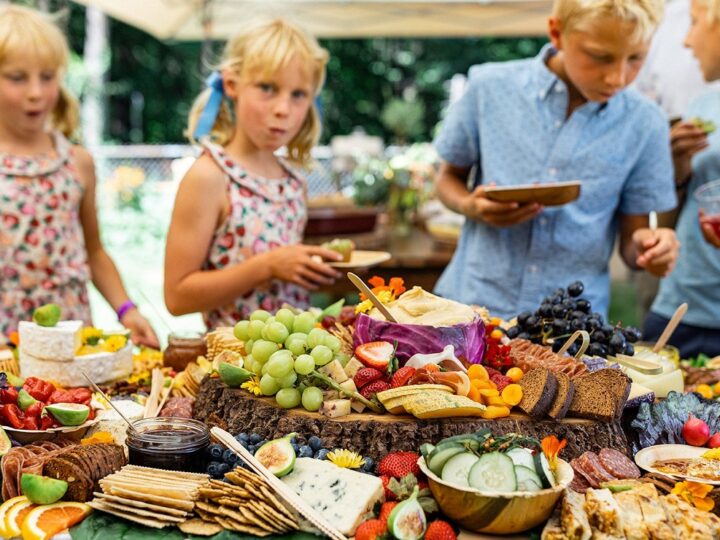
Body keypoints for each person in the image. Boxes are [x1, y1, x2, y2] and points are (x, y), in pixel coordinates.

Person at [432, 0, 680, 321]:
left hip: (571, 325)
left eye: (635, 58)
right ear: (556, 33)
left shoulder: (647, 122)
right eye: (600, 56)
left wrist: (650, 247)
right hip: (474, 307)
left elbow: (633, 243)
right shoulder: (488, 88)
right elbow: (446, 177)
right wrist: (470, 206)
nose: (617, 78)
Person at [164, 18, 341, 328]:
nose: (283, 109)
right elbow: (177, 297)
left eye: (298, 94)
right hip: (232, 366)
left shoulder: (293, 182)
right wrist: (267, 266)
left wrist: (309, 268)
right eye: (267, 88)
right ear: (232, 84)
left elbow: (284, 283)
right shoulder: (210, 176)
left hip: (294, 365)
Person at [0, 5, 158, 347]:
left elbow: (95, 252)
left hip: (70, 334)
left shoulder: (77, 162)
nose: (36, 92)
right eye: (17, 77)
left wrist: (127, 309)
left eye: (47, 76)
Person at [644, 0, 720, 357]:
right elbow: (670, 219)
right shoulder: (701, 106)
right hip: (681, 306)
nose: (687, 41)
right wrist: (676, 163)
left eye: (694, 23)